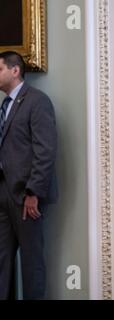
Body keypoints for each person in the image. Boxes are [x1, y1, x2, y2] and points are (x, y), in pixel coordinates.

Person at [0, 51, 58, 299]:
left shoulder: (37, 101)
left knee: (32, 262)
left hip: (26, 196)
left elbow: (45, 151)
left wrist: (33, 192)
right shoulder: (5, 104)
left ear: (15, 70)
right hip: (3, 192)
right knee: (2, 260)